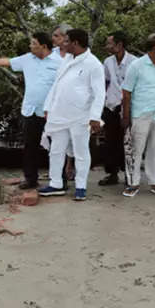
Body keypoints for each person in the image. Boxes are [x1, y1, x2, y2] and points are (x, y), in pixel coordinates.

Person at [0, 32, 62, 189]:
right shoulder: (27, 59)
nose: (30, 46)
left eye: (33, 43)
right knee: (30, 146)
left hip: (52, 112)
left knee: (57, 146)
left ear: (43, 46)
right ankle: (31, 179)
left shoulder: (59, 62)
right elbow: (7, 62)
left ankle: (59, 179)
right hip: (30, 110)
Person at [39, 29, 105, 201]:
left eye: (66, 41)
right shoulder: (67, 59)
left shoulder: (94, 64)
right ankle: (56, 184)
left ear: (75, 43)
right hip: (59, 114)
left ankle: (81, 186)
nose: (63, 44)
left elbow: (99, 93)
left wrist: (95, 117)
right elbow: (57, 84)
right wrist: (48, 106)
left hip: (80, 116)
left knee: (81, 151)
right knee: (56, 150)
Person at [121, 34, 155, 198]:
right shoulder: (136, 66)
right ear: (154, 48)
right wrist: (126, 116)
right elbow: (127, 92)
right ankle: (133, 183)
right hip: (141, 112)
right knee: (136, 148)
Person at [99, 31, 135, 185]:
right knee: (110, 141)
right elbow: (105, 81)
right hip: (111, 105)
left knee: (128, 141)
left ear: (120, 45)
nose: (107, 46)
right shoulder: (108, 62)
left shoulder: (134, 62)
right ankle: (112, 173)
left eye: (110, 44)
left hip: (128, 106)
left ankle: (128, 173)